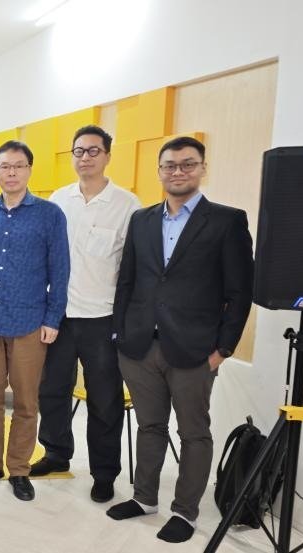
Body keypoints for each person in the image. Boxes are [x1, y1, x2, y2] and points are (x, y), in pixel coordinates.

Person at [107, 136, 254, 543]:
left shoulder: (226, 221)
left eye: (188, 164)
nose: (178, 171)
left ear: (203, 168)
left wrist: (223, 349)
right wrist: (120, 332)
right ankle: (144, 499)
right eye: (170, 165)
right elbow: (127, 280)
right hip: (140, 346)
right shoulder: (142, 220)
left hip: (195, 350)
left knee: (193, 433)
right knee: (149, 426)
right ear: (159, 171)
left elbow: (240, 292)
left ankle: (185, 512)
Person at [36, 126, 141, 502]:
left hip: (103, 317)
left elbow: (133, 267)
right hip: (59, 315)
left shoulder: (128, 205)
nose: (85, 157)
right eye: (79, 151)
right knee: (52, 391)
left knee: (104, 399)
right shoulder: (58, 200)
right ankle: (56, 453)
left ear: (108, 155)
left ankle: (104, 472)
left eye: (93, 151)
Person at [0, 140, 69, 502]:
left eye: (18, 166)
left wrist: (53, 317)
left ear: (29, 170)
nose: (11, 173)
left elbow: (60, 269)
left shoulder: (49, 214)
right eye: (4, 166)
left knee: (26, 402)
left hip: (30, 322)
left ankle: (20, 469)